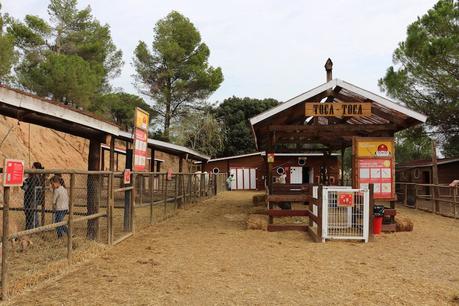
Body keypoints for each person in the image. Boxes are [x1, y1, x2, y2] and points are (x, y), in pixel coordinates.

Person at [22, 162, 45, 229]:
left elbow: (27, 188)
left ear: (35, 168)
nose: (31, 168)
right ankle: (36, 228)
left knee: (30, 214)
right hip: (36, 198)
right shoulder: (40, 176)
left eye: (32, 167)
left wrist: (22, 184)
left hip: (31, 199)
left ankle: (31, 228)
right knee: (34, 213)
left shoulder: (34, 177)